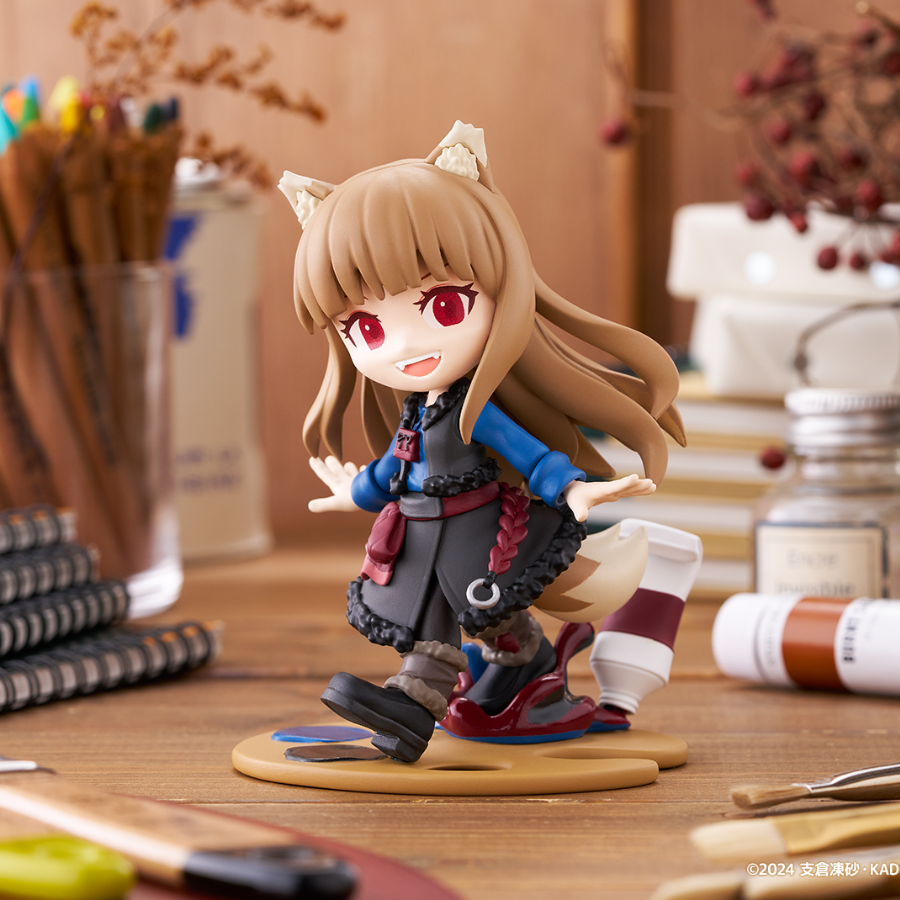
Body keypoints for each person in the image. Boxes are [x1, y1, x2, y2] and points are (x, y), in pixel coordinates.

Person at [280, 121, 685, 762]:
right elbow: (393, 469)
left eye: (443, 307)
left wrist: (575, 490)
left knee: (449, 617)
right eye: (366, 328)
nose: (405, 344)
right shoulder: (416, 411)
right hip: (418, 534)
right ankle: (527, 663)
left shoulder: (474, 412)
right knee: (471, 619)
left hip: (476, 533)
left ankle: (413, 704)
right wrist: (352, 491)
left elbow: (531, 455)